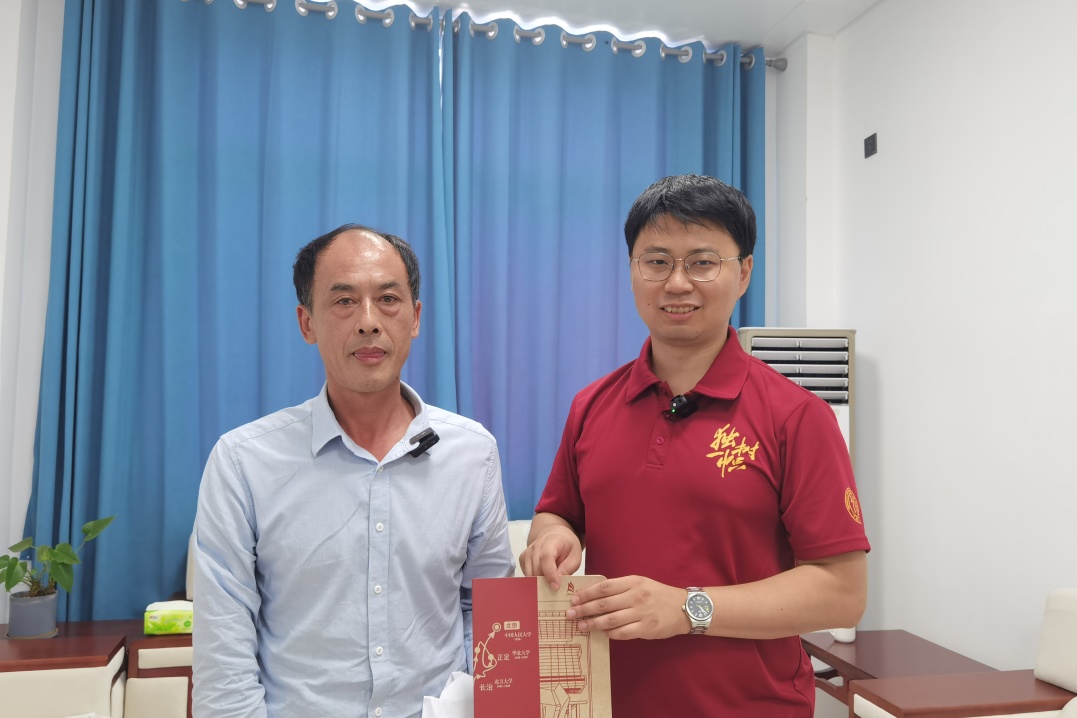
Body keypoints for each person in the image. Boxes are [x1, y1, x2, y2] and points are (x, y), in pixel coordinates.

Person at [520, 174, 870, 717]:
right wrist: (552, 538)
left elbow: (842, 592)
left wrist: (688, 608)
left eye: (703, 262)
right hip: (605, 706)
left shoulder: (798, 416)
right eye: (656, 262)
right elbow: (558, 514)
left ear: (744, 272)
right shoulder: (591, 406)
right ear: (632, 270)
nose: (677, 283)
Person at [192, 224, 515, 718]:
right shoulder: (243, 462)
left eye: (388, 299)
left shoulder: (473, 454)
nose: (368, 322)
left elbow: (487, 616)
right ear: (307, 323)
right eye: (344, 301)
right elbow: (224, 661)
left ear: (415, 318)